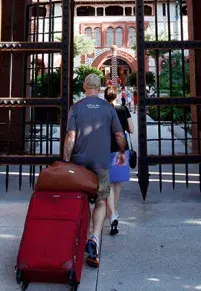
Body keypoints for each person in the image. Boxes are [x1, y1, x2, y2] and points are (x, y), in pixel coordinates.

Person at [63, 74, 127, 268]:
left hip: (79, 163)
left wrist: (66, 160)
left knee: (79, 200)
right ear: (99, 88)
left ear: (84, 86)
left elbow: (71, 136)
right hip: (101, 163)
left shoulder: (75, 108)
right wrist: (122, 152)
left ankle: (75, 238)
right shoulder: (108, 108)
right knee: (100, 201)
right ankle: (94, 239)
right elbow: (119, 134)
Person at [104, 86, 134, 236]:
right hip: (121, 149)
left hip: (107, 148)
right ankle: (114, 211)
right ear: (117, 96)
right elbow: (132, 129)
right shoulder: (123, 109)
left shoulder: (103, 110)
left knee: (108, 182)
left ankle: (112, 213)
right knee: (118, 183)